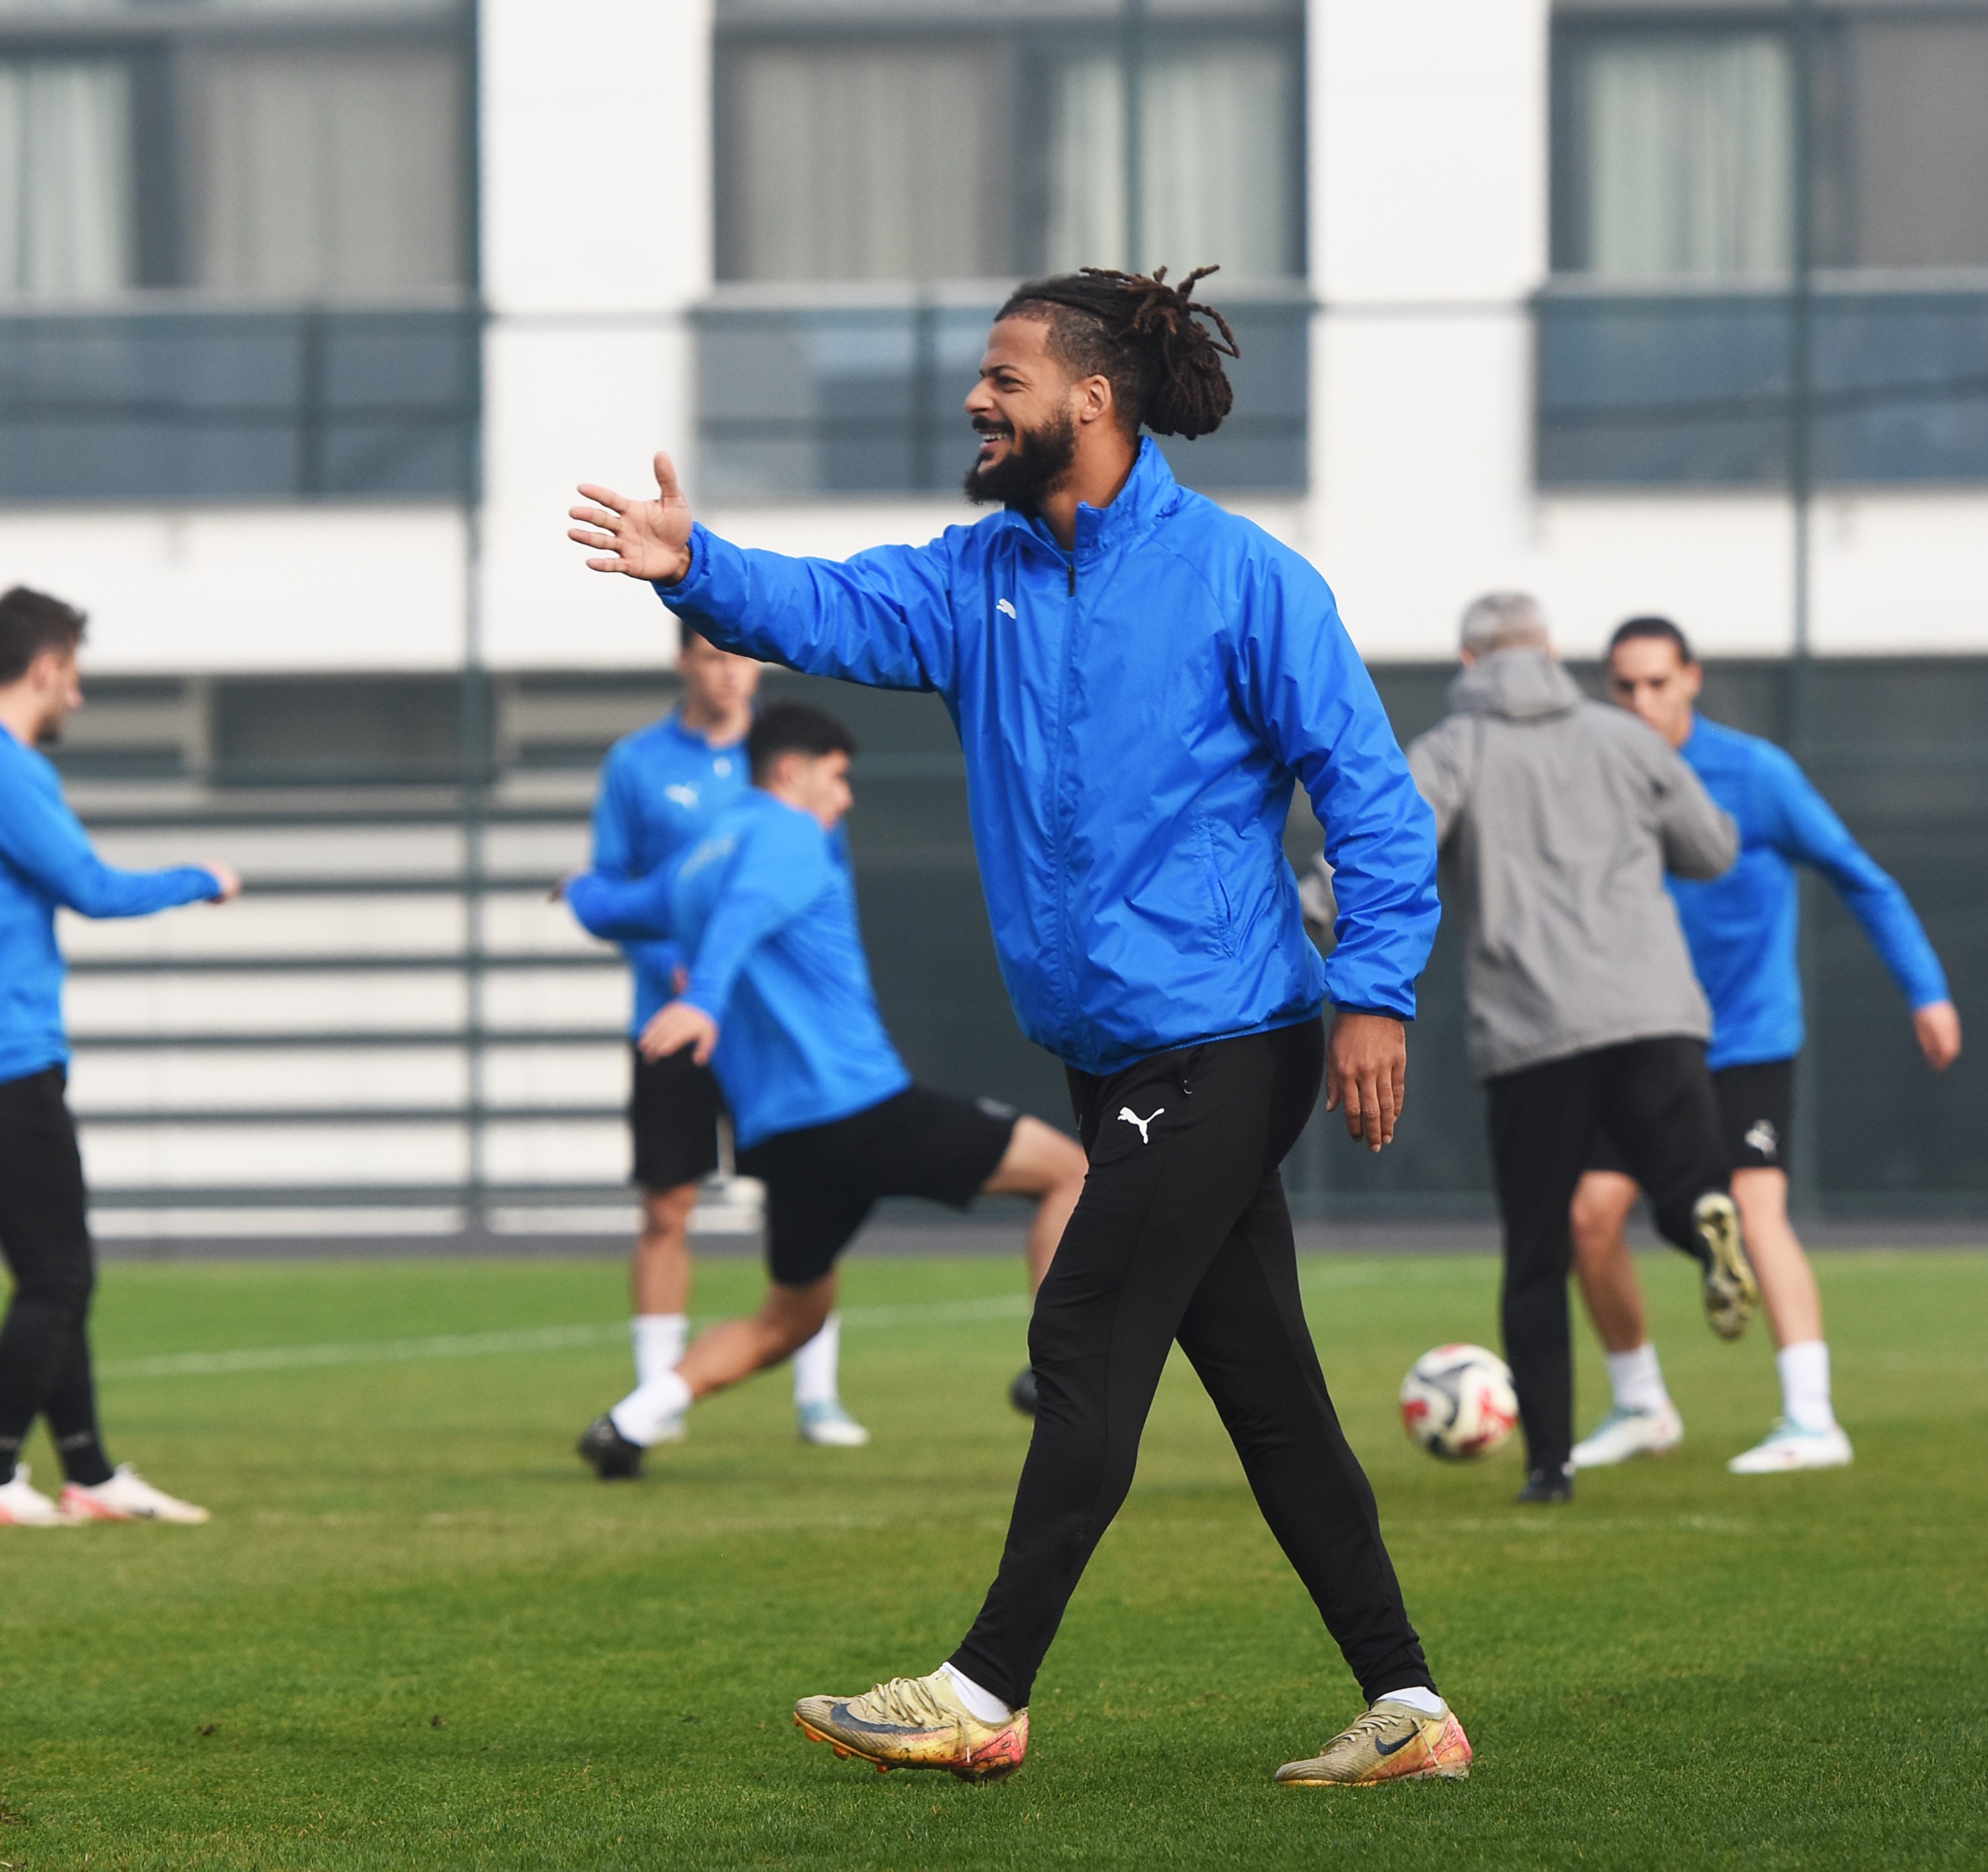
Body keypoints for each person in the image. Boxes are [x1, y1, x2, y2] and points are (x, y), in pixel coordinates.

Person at [567, 265, 1471, 1789]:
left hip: (1233, 1038)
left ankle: (983, 1687)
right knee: (1264, 1388)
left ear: (1091, 401)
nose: (977, 402)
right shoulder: (974, 574)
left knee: (1083, 1326)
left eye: (1004, 379)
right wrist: (694, 566)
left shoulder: (1245, 579)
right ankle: (1407, 1704)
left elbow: (1375, 805)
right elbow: (833, 608)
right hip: (1112, 1052)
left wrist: (1375, 991)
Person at [571, 702, 1085, 1480]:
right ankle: (1060, 1376)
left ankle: (630, 1419)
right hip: (862, 1108)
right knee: (1069, 1171)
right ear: (790, 770)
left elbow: (622, 906)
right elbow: (747, 913)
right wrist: (705, 997)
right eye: (837, 777)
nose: (844, 798)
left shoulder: (694, 861)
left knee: (791, 1315)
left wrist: (575, 894)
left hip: (781, 1139)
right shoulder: (788, 833)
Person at [0, 587, 239, 1529]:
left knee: (52, 1272)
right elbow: (93, 889)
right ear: (46, 667)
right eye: (76, 678)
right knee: (60, 1276)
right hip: (6, 1061)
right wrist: (203, 880)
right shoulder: (1, 770)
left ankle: (92, 1475)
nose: (78, 699)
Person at [1570, 616, 1960, 1475]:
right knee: (1589, 1216)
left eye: (1656, 683)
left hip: (1745, 1039)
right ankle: (1641, 1404)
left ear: (1691, 680)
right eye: (1623, 686)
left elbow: (1863, 877)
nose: (1640, 702)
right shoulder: (1597, 778)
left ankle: (1813, 1418)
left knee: (1756, 1210)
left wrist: (1926, 989)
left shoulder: (1757, 775)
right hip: (1638, 1037)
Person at [1401, 592, 1754, 1508]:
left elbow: (1386, 849)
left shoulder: (1454, 748)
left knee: (1537, 1253)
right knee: (1679, 1184)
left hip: (1534, 1034)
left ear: (1471, 663)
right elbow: (1714, 849)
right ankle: (1706, 1215)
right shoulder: (1627, 737)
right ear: (1552, 653)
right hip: (1654, 1011)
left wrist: (1303, 912)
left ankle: (1550, 1466)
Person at [568, 626, 870, 1449]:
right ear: (683, 663)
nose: (729, 670)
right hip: (670, 1021)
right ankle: (654, 1397)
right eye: (711, 655)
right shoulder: (637, 764)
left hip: (770, 1028)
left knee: (805, 1197)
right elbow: (619, 888)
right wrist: (669, 964)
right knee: (667, 1204)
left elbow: (813, 887)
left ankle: (818, 1393)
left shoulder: (796, 762)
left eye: (740, 655)